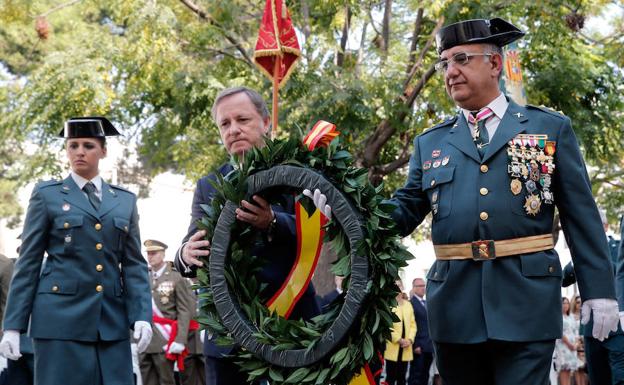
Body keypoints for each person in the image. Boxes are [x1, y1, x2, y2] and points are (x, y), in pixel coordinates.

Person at [385, 17, 619, 385]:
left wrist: (600, 291)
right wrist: (349, 208)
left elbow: (580, 215)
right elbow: (402, 211)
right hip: (454, 307)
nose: (450, 72)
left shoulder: (547, 128)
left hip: (526, 302)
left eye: (461, 59)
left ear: (494, 64)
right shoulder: (430, 142)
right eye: (444, 63)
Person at [173, 87, 321, 385]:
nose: (234, 130)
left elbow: (319, 234)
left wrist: (273, 222)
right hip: (228, 338)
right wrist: (185, 254)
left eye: (242, 119)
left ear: (266, 121)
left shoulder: (298, 173)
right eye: (225, 124)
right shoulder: (209, 185)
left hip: (292, 329)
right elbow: (191, 245)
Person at [0, 117, 153, 385]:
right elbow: (29, 263)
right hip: (59, 323)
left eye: (88, 145)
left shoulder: (124, 201)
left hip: (111, 323)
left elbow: (134, 265)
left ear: (104, 151)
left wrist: (141, 316)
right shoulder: (48, 195)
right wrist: (13, 325)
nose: (79, 151)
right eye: (73, 145)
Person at [562, 210, 624, 384]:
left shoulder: (618, 247)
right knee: (597, 378)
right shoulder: (581, 253)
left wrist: (593, 263)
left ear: (605, 227)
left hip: (617, 327)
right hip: (591, 329)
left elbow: (618, 272)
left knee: (620, 378)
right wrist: (577, 261)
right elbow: (564, 280)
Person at [140, 239, 194, 385]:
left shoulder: (176, 277)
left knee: (166, 381)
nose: (150, 256)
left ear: (163, 254)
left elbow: (184, 310)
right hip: (145, 339)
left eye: (154, 253)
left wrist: (180, 339)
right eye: (148, 253)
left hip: (165, 339)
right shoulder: (143, 277)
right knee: (147, 381)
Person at [384, 280, 417, 385]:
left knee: (402, 379)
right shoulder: (388, 304)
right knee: (390, 378)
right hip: (393, 347)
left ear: (403, 287)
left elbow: (413, 324)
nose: (397, 287)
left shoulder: (408, 305)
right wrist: (399, 339)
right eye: (395, 285)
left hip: (406, 347)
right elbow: (387, 326)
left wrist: (410, 340)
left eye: (399, 285)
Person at [408, 278, 433, 385]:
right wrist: (415, 345)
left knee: (425, 374)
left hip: (429, 345)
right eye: (420, 286)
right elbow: (411, 325)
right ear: (414, 288)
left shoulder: (427, 303)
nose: (423, 288)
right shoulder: (411, 304)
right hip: (419, 346)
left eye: (424, 285)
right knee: (416, 374)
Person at [555, 297, 581, 385]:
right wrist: (569, 344)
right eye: (563, 303)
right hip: (563, 348)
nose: (565, 305)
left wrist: (576, 344)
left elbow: (576, 331)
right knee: (564, 372)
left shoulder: (571, 317)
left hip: (573, 348)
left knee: (570, 373)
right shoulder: (558, 317)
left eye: (567, 303)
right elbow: (560, 332)